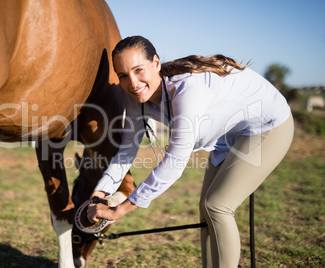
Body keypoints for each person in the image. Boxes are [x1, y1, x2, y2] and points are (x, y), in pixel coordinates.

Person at [85, 36, 293, 267]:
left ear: (156, 64)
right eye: (123, 76)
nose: (133, 83)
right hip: (226, 138)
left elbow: (174, 163)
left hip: (267, 125)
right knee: (207, 211)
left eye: (138, 70)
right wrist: (99, 194)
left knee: (217, 206)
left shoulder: (187, 88)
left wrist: (119, 210)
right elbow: (125, 153)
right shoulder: (137, 98)